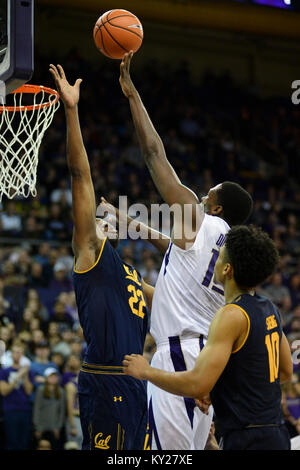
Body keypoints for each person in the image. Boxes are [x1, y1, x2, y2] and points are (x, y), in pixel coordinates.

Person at [118, 51, 253, 450]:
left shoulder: (199, 216)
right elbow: (175, 250)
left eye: (209, 191)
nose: (202, 190)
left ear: (214, 206)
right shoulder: (229, 248)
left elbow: (154, 154)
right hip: (204, 359)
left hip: (178, 356)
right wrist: (129, 224)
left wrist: (132, 95)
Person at [49, 63, 153, 450]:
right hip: (106, 380)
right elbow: (80, 176)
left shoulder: (127, 270)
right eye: (95, 215)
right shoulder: (90, 252)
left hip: (136, 380)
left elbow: (169, 296)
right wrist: (72, 111)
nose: (102, 216)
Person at [123, 225, 293, 450]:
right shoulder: (269, 308)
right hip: (276, 433)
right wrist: (223, 393)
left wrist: (146, 371)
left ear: (227, 270)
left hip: (247, 438)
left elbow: (196, 384)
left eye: (220, 256)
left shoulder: (231, 314)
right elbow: (285, 371)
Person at [0, 341, 34, 450]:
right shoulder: (4, 371)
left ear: (22, 354)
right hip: (10, 410)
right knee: (11, 442)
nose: (17, 354)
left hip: (25, 410)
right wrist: (19, 375)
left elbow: (29, 391)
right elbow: (4, 391)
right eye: (15, 352)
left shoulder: (28, 371)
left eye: (19, 352)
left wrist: (24, 375)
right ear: (11, 354)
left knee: (24, 443)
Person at [33, 367, 65, 450]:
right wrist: (38, 427)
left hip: (54, 427)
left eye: (55, 376)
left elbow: (61, 411)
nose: (53, 378)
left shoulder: (61, 391)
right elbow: (37, 409)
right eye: (51, 376)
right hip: (41, 426)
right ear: (46, 378)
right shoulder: (40, 390)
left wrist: (58, 427)